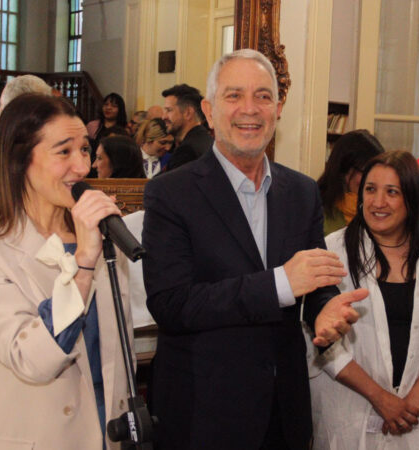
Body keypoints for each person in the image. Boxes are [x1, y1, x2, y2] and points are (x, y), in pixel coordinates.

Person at [142, 49, 368, 450]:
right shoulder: (170, 193)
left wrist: (324, 310)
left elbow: (314, 281)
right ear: (209, 112)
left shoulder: (301, 192)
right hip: (204, 415)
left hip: (284, 412)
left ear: (278, 110)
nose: (250, 109)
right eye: (234, 95)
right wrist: (279, 284)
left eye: (263, 96)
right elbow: (171, 304)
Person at [0, 94, 133, 449]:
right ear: (20, 161)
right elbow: (31, 359)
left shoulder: (100, 236)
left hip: (106, 433)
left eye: (85, 150)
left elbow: (119, 357)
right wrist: (83, 264)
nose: (82, 167)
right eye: (64, 152)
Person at [309, 150, 419, 450]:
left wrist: (414, 399)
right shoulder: (333, 250)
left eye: (391, 192)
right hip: (348, 411)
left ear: (411, 198)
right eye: (370, 189)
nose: (378, 202)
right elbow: (319, 339)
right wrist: (381, 398)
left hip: (412, 414)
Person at [317, 130, 385, 235]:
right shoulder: (316, 210)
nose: (372, 179)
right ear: (344, 170)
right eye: (366, 171)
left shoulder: (381, 210)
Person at [161, 83, 213, 171]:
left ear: (187, 113)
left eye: (169, 110)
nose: (163, 117)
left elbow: (170, 179)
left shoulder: (187, 150)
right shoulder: (208, 141)